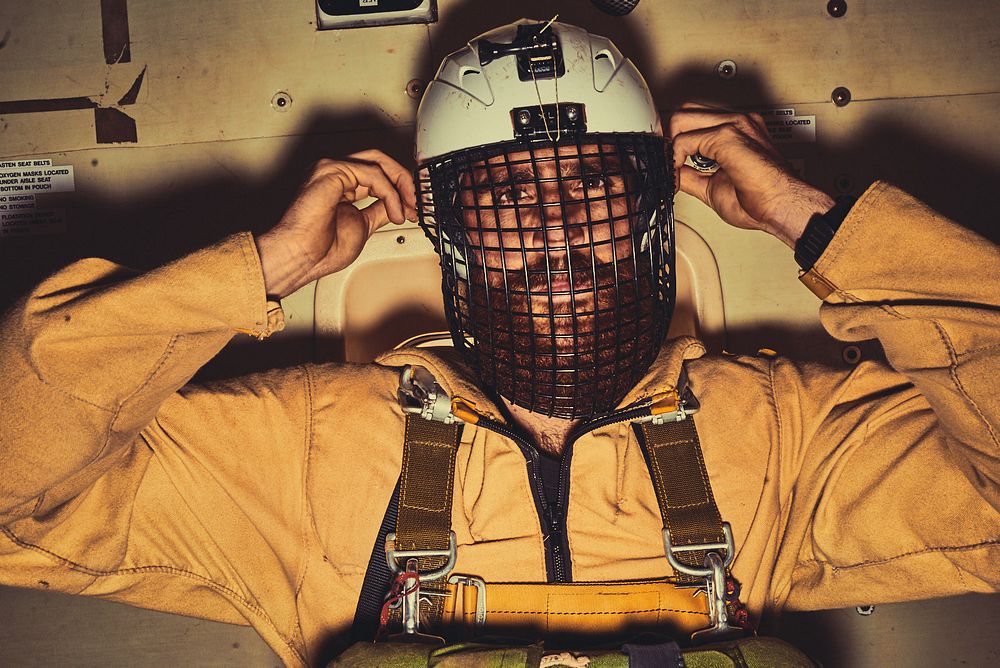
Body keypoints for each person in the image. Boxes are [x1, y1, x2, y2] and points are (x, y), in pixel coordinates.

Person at [1, 19, 997, 667]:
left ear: (653, 203)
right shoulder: (305, 442)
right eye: (511, 198)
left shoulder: (784, 426)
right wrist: (255, 271)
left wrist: (812, 220)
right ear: (448, 231)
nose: (557, 232)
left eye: (592, 188)